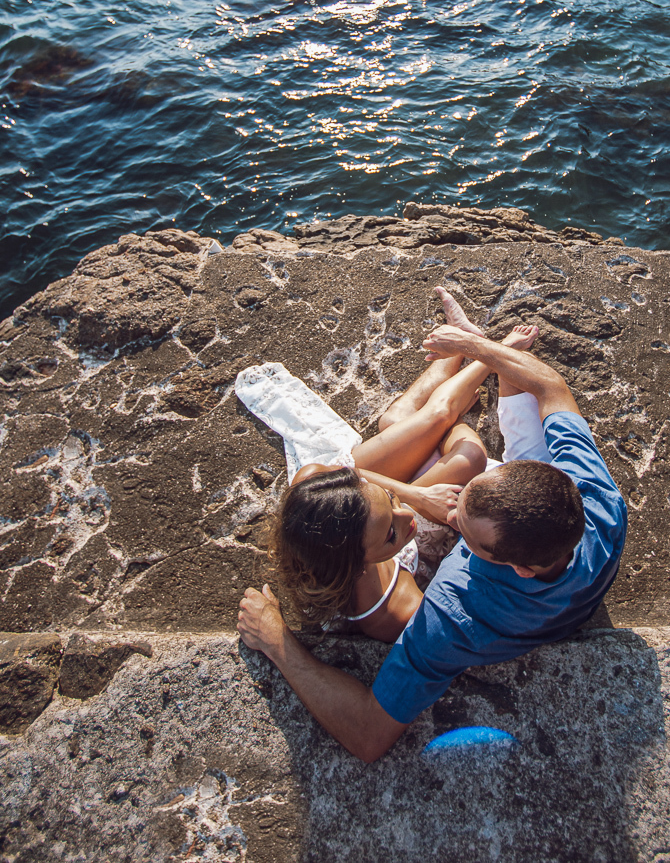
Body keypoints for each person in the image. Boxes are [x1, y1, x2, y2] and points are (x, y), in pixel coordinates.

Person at [237, 288, 627, 763]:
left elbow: (368, 735)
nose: (447, 513)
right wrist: (485, 353)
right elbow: (554, 389)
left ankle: (455, 375)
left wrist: (277, 642)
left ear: (516, 567)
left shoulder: (452, 615)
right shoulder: (600, 504)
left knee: (410, 422)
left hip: (489, 594)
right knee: (462, 416)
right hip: (560, 575)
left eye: (466, 528)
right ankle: (469, 353)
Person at [274, 319, 539, 641]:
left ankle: (485, 351)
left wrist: (412, 496)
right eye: (390, 533)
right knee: (462, 452)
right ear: (357, 565)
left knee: (431, 419)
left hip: (383, 504)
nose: (406, 519)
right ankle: (476, 351)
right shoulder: (394, 611)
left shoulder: (310, 500)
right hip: (396, 549)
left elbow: (331, 472)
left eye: (389, 504)